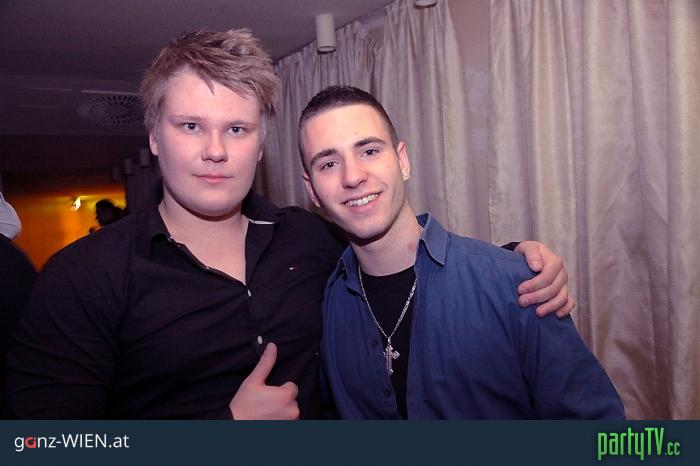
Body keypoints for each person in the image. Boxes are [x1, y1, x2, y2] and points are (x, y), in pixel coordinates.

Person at [4, 30, 571, 420]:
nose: (215, 150)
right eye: (191, 126)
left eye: (236, 129)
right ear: (154, 138)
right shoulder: (83, 277)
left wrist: (514, 262)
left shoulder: (310, 238)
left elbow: (399, 256)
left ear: (260, 146)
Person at [298, 86, 624, 419]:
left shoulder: (518, 285)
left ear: (402, 161)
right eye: (329, 163)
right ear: (313, 191)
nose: (353, 176)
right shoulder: (326, 304)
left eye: (369, 151)